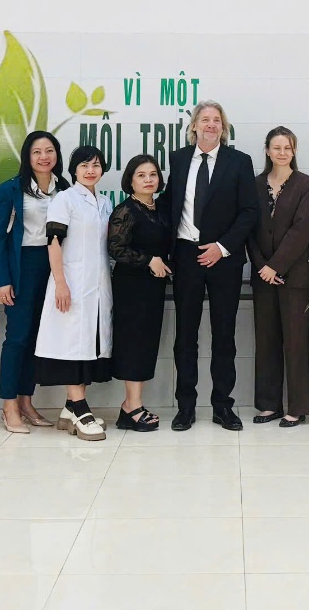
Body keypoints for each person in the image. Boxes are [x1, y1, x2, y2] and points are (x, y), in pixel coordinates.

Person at [164, 100, 259, 432]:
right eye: (205, 119)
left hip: (224, 259)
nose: (211, 124)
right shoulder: (178, 159)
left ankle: (222, 406)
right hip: (186, 256)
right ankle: (185, 407)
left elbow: (249, 211)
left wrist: (222, 247)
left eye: (217, 120)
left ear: (224, 127)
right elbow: (170, 204)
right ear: (194, 126)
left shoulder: (240, 161)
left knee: (224, 335)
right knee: (185, 335)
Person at [0, 132, 67, 433]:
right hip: (23, 265)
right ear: (27, 156)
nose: (44, 157)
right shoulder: (10, 189)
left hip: (54, 265)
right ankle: (9, 405)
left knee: (38, 338)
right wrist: (3, 280)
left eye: (49, 150)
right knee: (17, 337)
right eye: (37, 152)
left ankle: (26, 401)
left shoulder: (65, 188)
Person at [37, 144, 114, 441]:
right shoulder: (65, 199)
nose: (90, 170)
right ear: (74, 171)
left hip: (98, 284)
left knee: (88, 344)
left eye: (96, 165)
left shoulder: (104, 202)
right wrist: (60, 282)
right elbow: (53, 242)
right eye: (84, 165)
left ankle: (70, 409)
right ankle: (80, 408)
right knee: (71, 343)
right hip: (70, 282)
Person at [248, 127, 309, 427]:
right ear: (267, 150)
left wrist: (276, 266)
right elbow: (249, 228)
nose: (282, 153)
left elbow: (302, 229)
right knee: (266, 341)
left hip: (295, 276)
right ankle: (268, 404)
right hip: (262, 275)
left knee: (296, 343)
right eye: (276, 147)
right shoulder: (254, 184)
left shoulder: (305, 184)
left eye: (287, 147)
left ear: (294, 150)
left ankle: (297, 407)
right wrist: (262, 266)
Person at [106, 154, 172, 431]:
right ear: (130, 181)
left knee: (146, 343)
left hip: (153, 287)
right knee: (133, 343)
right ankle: (131, 406)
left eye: (153, 174)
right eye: (141, 175)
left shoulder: (160, 208)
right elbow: (115, 248)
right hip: (131, 287)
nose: (148, 180)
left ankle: (132, 406)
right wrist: (148, 261)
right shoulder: (126, 210)